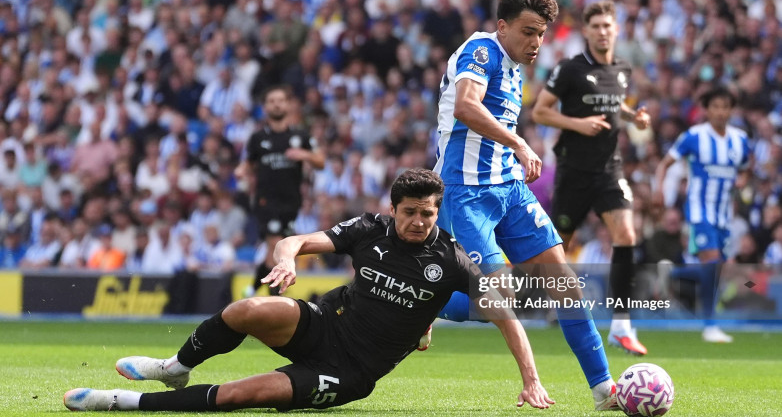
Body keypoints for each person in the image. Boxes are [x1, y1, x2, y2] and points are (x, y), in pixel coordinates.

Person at [63, 168, 554, 412]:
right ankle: (174, 369)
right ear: (395, 208)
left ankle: (121, 403)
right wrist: (285, 263)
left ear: (435, 210)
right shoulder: (371, 229)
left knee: (240, 395)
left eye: (428, 212)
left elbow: (506, 315)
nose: (419, 221)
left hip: (351, 371)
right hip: (323, 324)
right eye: (410, 212)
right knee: (247, 308)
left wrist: (531, 380)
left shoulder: (451, 258)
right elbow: (294, 240)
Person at [433, 0, 618, 410]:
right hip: (466, 193)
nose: (536, 42)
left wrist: (514, 152)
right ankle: (434, 299)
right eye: (528, 31)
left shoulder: (515, 64)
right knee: (500, 297)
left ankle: (604, 388)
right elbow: (465, 106)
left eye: (542, 33)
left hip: (510, 189)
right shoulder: (481, 51)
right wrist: (520, 143)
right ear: (502, 26)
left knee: (565, 283)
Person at [530, 0, 651, 355]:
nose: (602, 31)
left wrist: (633, 118)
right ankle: (542, 304)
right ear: (586, 31)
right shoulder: (570, 69)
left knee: (626, 234)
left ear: (616, 29)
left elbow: (614, 106)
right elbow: (540, 111)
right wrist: (577, 124)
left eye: (607, 25)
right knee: (557, 248)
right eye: (595, 25)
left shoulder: (623, 70)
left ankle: (622, 326)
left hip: (609, 170)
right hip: (573, 172)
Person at [654, 85, 750, 343]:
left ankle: (672, 275)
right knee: (713, 263)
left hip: (723, 214)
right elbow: (665, 163)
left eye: (725, 106)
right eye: (715, 106)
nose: (720, 111)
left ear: (731, 110)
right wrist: (660, 190)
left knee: (717, 269)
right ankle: (710, 325)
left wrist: (742, 181)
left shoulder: (740, 140)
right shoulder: (693, 136)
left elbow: (745, 169)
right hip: (699, 210)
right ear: (707, 110)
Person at [235, 85, 325, 294]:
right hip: (266, 201)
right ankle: (276, 302)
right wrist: (242, 170)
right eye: (271, 101)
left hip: (292, 202)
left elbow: (320, 161)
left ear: (288, 104)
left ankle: (252, 289)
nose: (276, 104)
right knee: (277, 248)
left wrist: (304, 155)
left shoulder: (300, 136)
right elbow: (249, 163)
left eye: (280, 100)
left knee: (274, 252)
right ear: (266, 107)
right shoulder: (258, 138)